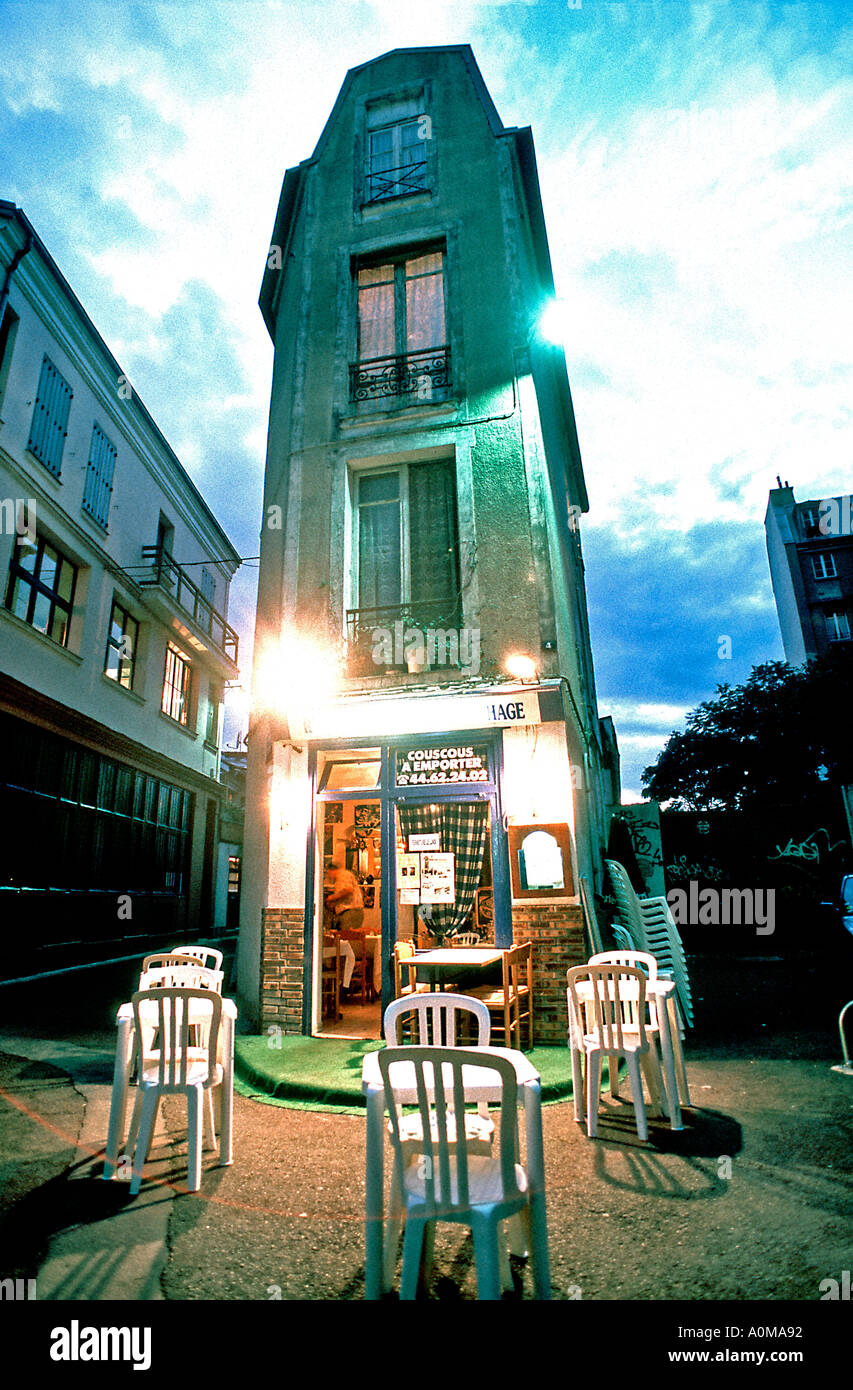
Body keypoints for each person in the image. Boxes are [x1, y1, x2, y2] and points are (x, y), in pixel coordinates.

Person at [325, 860, 364, 931]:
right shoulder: (343, 875)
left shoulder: (342, 875)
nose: (329, 876)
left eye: (328, 873)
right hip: (351, 911)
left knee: (348, 938)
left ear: (332, 870)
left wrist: (331, 898)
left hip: (350, 912)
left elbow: (347, 890)